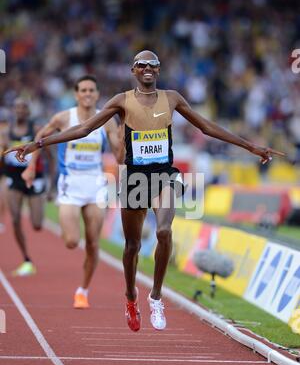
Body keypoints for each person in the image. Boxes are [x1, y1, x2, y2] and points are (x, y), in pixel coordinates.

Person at [5, 50, 285, 331]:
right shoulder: (122, 101)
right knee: (132, 247)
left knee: (164, 231)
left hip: (164, 175)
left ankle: (156, 296)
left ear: (159, 71)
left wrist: (250, 146)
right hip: (135, 178)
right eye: (142, 65)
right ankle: (130, 296)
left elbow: (207, 127)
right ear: (133, 70)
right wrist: (37, 144)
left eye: (153, 65)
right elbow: (84, 128)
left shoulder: (172, 98)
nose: (148, 68)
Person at [21, 75, 123, 309]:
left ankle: (83, 291)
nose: (87, 94)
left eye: (91, 90)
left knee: (93, 244)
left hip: (96, 185)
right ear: (76, 94)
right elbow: (40, 138)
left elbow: (118, 154)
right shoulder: (64, 117)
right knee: (71, 241)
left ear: (97, 95)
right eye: (83, 90)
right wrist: (30, 166)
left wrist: (124, 141)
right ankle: (81, 283)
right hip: (70, 185)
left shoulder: (106, 120)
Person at [0, 98, 55, 275]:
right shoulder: (6, 133)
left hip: (34, 177)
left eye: (23, 107)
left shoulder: (36, 130)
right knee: (15, 219)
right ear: (13, 111)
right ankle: (26, 259)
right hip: (13, 177)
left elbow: (50, 156)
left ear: (28, 111)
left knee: (37, 224)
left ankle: (27, 256)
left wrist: (51, 183)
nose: (20, 110)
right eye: (16, 107)